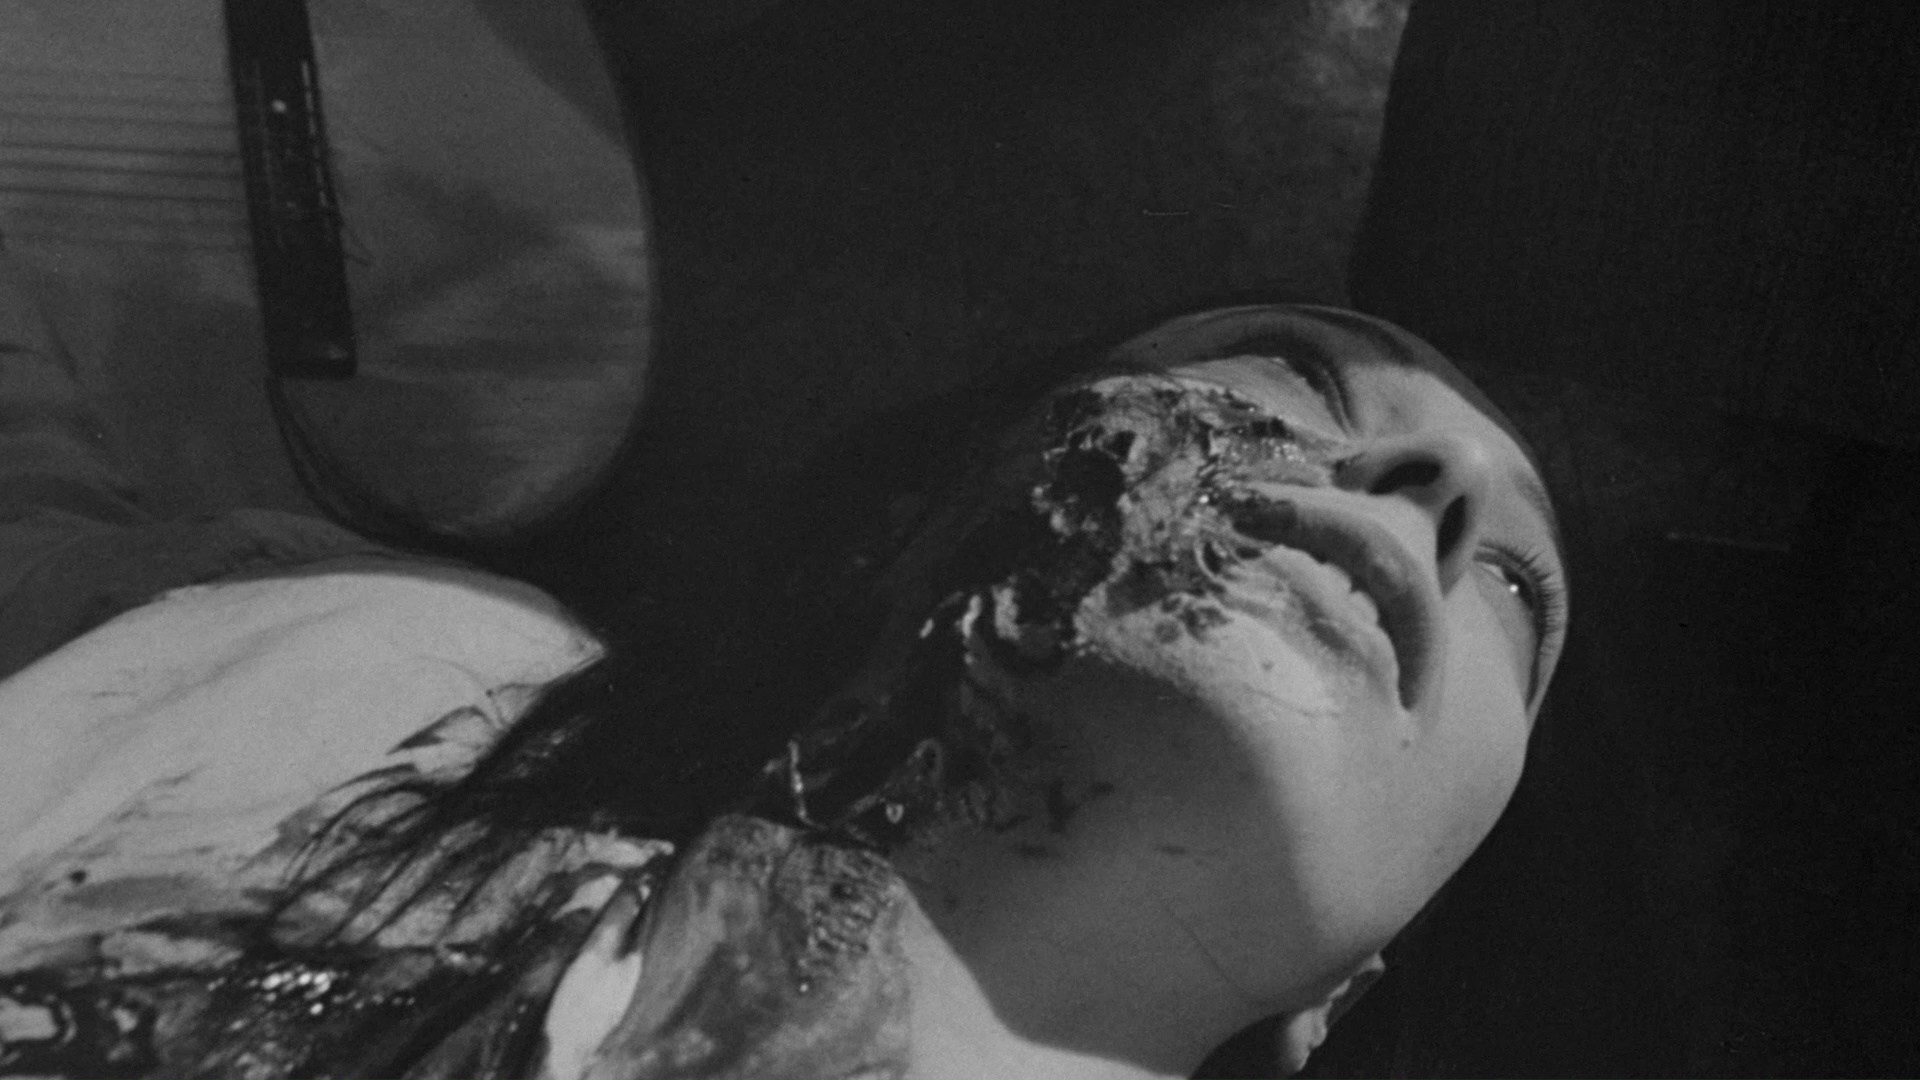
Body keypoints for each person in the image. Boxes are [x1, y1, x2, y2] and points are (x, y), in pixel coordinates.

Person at [0, 252, 1567, 1078]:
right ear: (897, 520)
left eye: (1516, 589)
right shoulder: (394, 659)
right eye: (1295, 374)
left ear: (1342, 995)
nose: (1437, 485)